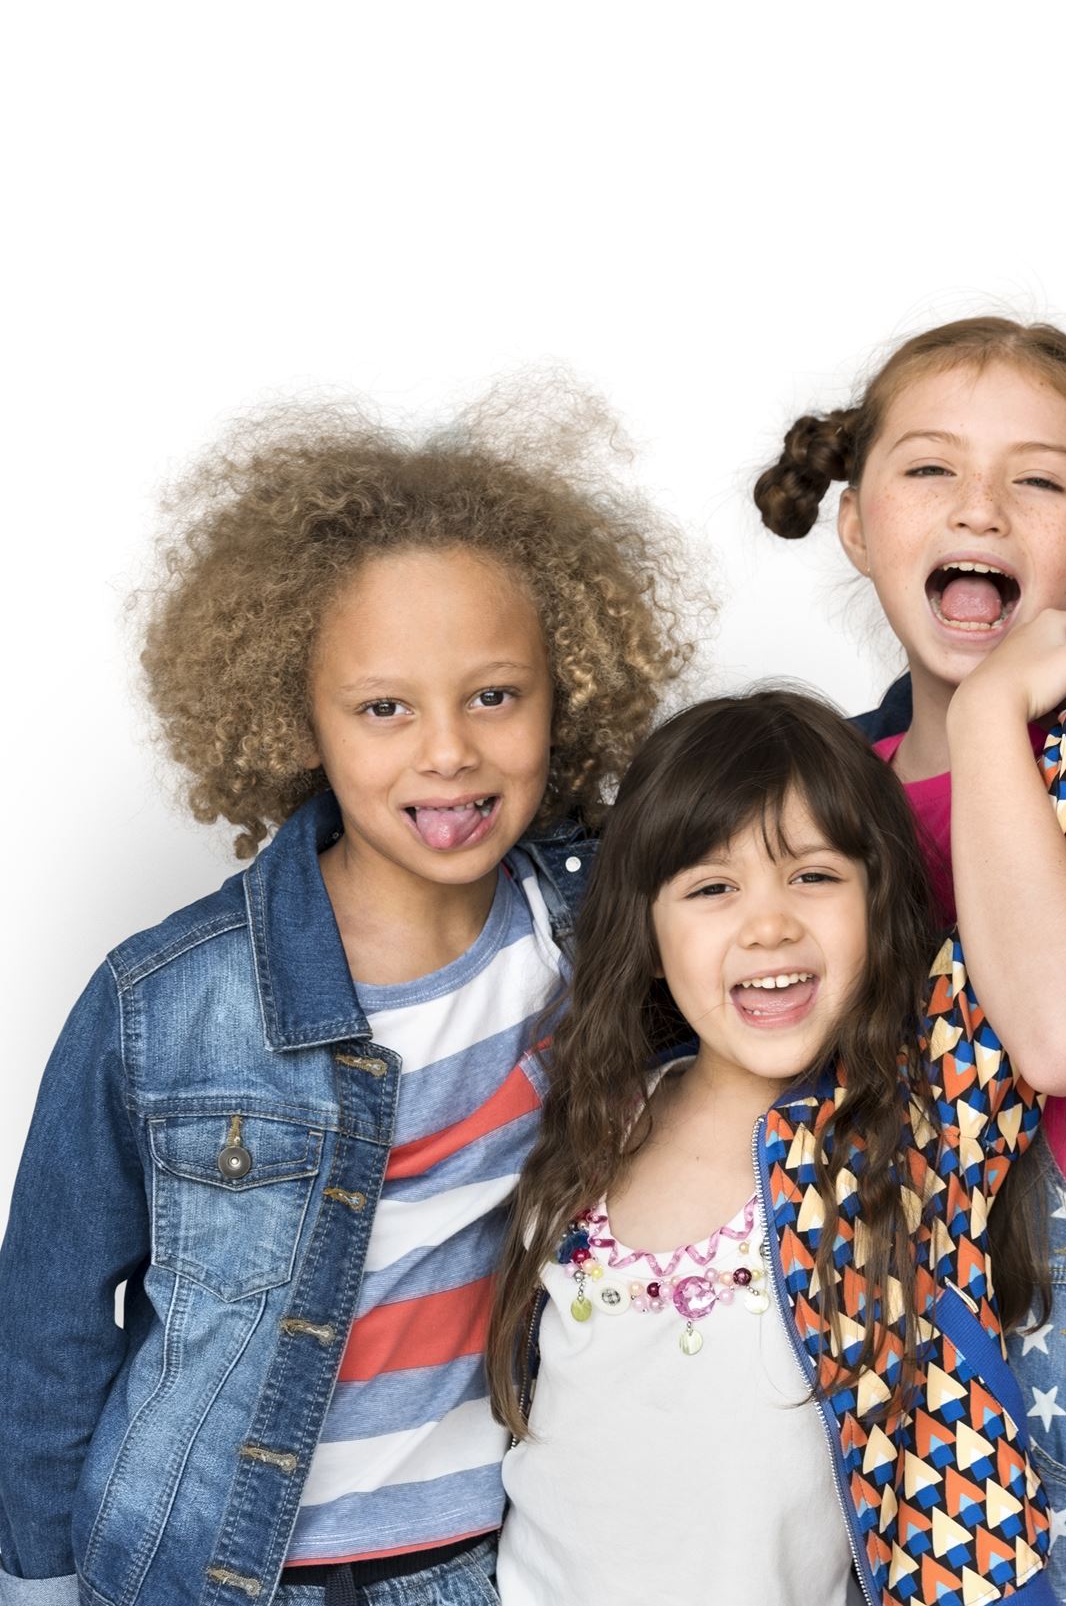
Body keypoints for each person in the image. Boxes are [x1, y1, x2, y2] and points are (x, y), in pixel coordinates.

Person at [0, 383, 694, 1606]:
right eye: (384, 708)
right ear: (297, 720)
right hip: (204, 1575)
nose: (447, 751)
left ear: (562, 691)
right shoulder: (165, 1003)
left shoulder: (605, 943)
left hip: (487, 1563)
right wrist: (40, 1585)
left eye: (495, 695)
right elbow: (47, 1325)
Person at [754, 318, 1066, 1600]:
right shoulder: (809, 799)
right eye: (929, 470)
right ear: (856, 526)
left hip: (1048, 1369)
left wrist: (984, 726)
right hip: (818, 1326)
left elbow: (1057, 1035)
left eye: (1037, 477)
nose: (981, 504)